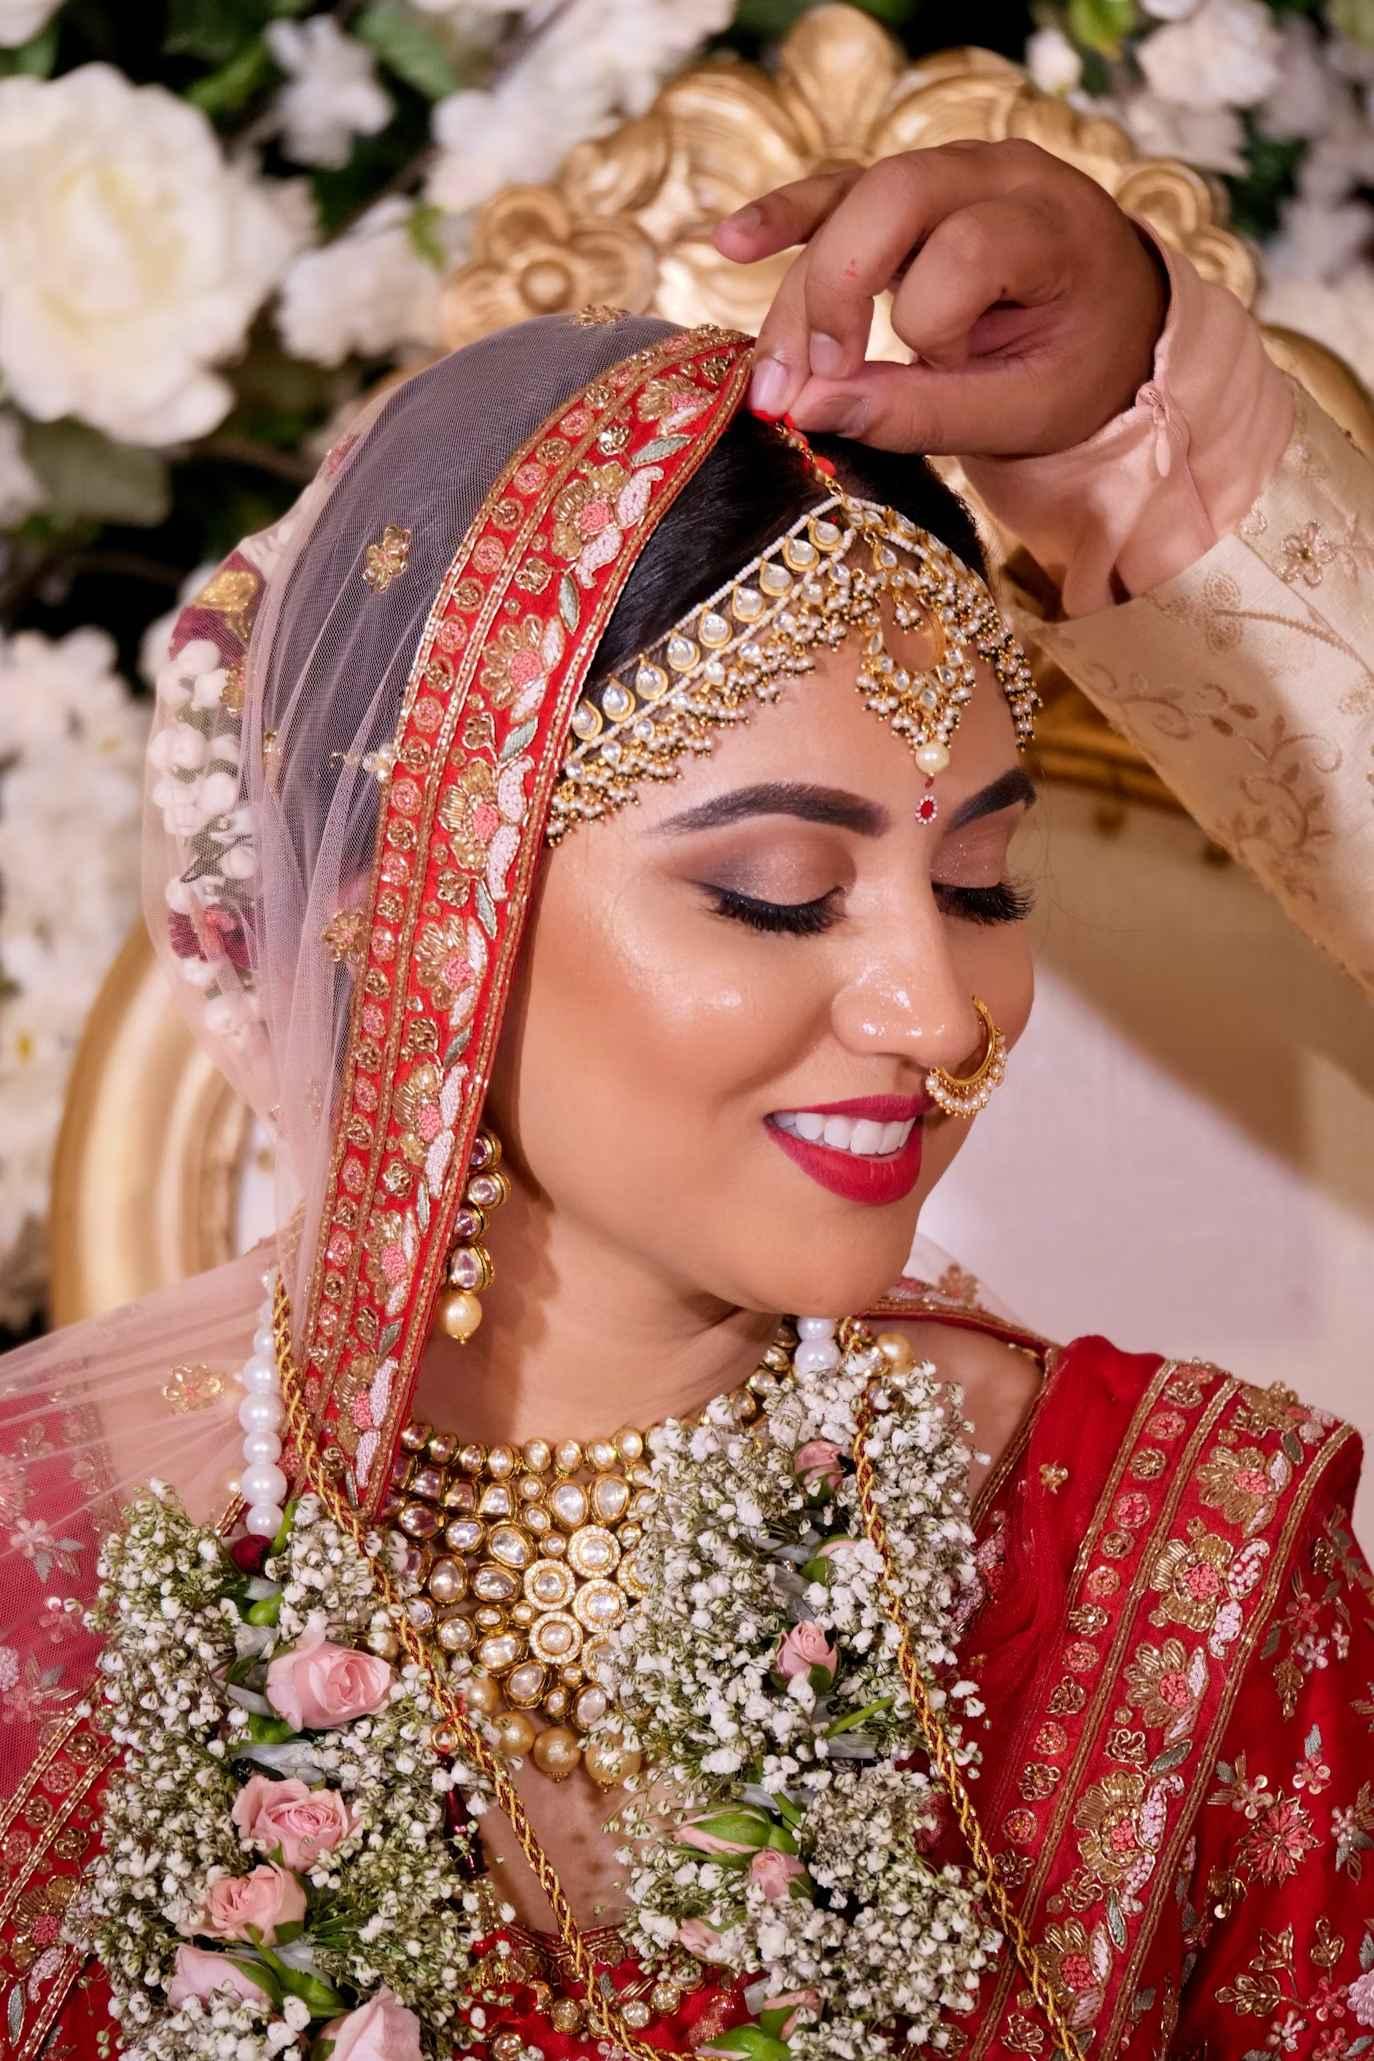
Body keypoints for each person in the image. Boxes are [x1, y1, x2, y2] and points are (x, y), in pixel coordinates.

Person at [0, 140, 1371, 2061]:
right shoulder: (38, 1582)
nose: (934, 1005)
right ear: (417, 928)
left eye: (981, 883)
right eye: (778, 895)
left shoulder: (1171, 1562)